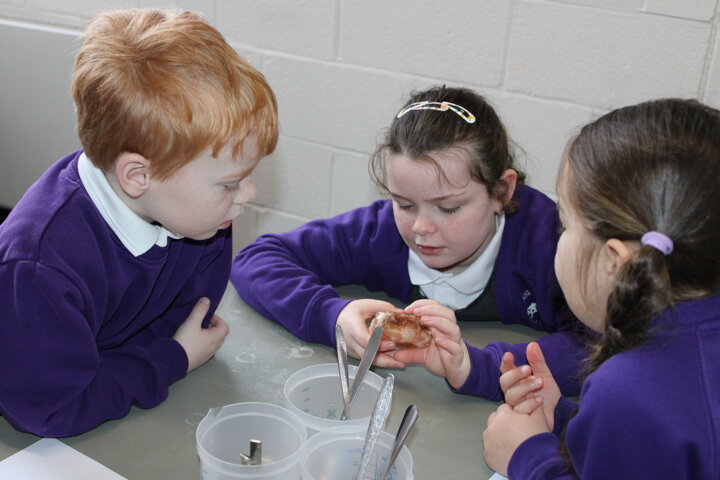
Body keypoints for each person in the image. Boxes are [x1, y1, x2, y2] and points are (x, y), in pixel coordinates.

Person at [0, 8, 278, 437]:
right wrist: (172, 360)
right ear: (137, 176)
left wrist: (157, 356)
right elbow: (51, 409)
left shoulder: (198, 216)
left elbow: (185, 319)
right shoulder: (38, 270)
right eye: (230, 183)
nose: (248, 194)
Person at [232, 86, 587, 400]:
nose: (421, 227)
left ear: (501, 191)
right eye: (404, 204)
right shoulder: (380, 232)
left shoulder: (551, 244)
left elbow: (600, 344)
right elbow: (256, 259)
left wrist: (477, 367)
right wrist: (332, 315)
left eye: (448, 208)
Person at [482, 98, 720, 478]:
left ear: (614, 260)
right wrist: (570, 419)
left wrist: (527, 454)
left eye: (565, 225)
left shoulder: (627, 388)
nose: (558, 239)